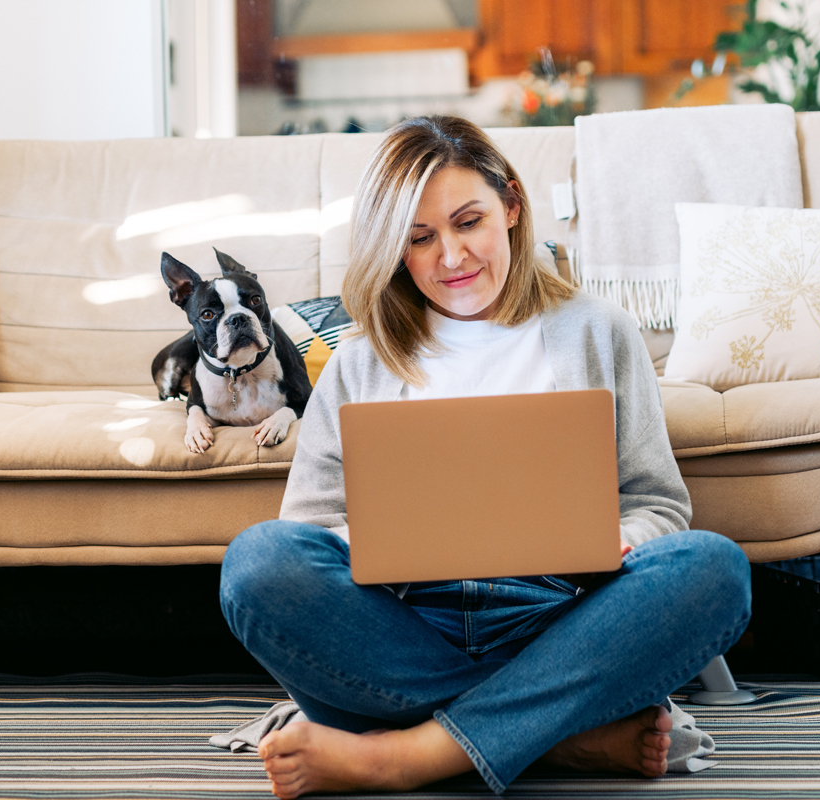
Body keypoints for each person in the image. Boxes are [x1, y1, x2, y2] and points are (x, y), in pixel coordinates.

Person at [219, 115, 751, 799]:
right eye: (419, 239)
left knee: (714, 570)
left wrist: (623, 538)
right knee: (256, 563)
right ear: (396, 251)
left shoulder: (599, 333)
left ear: (512, 206)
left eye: (468, 221)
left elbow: (658, 504)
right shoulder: (358, 363)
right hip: (404, 627)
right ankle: (560, 739)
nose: (451, 257)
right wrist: (377, 543)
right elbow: (306, 533)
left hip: (562, 622)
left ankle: (403, 756)